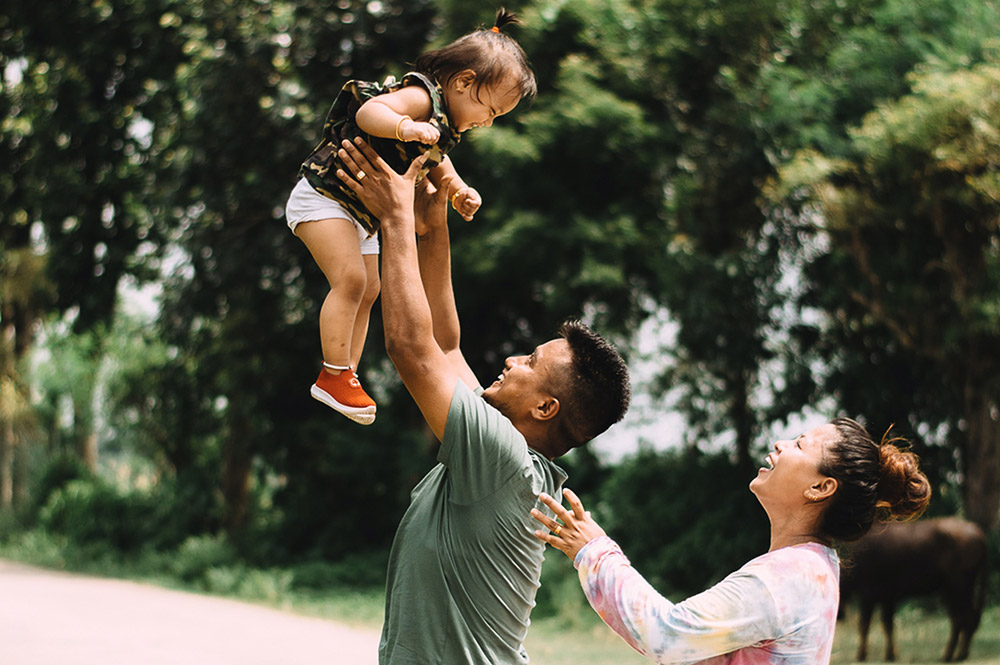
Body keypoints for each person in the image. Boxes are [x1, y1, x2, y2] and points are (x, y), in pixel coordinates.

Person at [332, 137, 631, 664]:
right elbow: (445, 345)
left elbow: (412, 350)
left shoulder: (503, 460)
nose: (514, 360)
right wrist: (433, 224)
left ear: (545, 409)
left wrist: (396, 216)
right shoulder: (506, 455)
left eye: (531, 363)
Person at [284, 8, 537, 425]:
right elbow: (370, 113)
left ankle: (346, 373)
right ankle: (333, 372)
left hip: (360, 214)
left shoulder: (447, 126)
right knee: (350, 281)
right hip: (325, 197)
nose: (487, 123)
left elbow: (439, 164)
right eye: (489, 111)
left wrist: (458, 190)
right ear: (463, 82)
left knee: (370, 288)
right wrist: (405, 127)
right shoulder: (421, 97)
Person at [531, 418, 932, 665]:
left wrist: (595, 551)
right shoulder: (813, 567)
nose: (780, 444)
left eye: (800, 445)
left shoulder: (783, 580)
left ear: (820, 487)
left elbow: (666, 634)